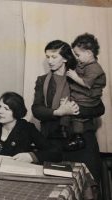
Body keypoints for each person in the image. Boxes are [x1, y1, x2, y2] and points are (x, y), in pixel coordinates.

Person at [31, 40, 104, 183]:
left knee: (87, 187)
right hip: (53, 142)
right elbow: (37, 109)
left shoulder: (80, 78)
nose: (49, 61)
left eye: (54, 57)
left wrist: (74, 110)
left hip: (82, 142)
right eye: (47, 57)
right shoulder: (42, 80)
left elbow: (99, 108)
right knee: (54, 187)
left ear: (65, 58)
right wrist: (59, 112)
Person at [0, 92, 62, 164]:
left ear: (16, 111)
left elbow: (55, 152)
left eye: (6, 109)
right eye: (0, 106)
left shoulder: (27, 128)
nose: (0, 111)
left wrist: (32, 156)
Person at [64, 33, 106, 150]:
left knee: (75, 112)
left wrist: (74, 76)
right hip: (82, 96)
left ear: (88, 53)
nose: (77, 58)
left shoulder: (95, 68)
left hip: (88, 99)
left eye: (78, 55)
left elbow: (87, 84)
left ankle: (78, 138)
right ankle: (73, 134)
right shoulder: (85, 63)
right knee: (70, 108)